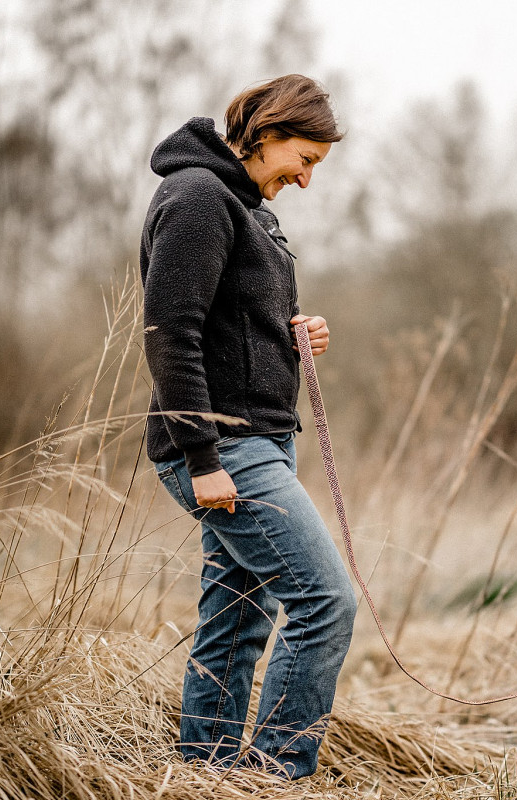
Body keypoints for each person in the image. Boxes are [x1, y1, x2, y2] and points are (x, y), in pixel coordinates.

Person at [139, 74, 356, 779]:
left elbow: (233, 321)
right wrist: (203, 459)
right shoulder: (198, 198)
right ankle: (275, 775)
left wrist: (298, 332)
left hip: (260, 442)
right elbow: (171, 334)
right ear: (267, 133)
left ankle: (206, 772)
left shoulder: (248, 207)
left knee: (236, 620)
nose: (307, 179)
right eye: (305, 159)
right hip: (223, 449)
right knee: (325, 602)